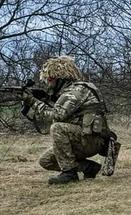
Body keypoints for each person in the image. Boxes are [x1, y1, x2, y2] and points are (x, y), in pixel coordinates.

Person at [22, 56, 118, 185]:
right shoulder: (71, 90)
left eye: (50, 79)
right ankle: (89, 168)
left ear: (60, 79)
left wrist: (33, 102)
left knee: (57, 128)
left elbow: (56, 116)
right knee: (46, 160)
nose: (48, 83)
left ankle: (69, 173)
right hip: (84, 138)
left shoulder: (76, 91)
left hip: (92, 140)